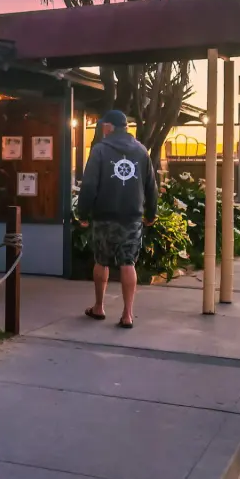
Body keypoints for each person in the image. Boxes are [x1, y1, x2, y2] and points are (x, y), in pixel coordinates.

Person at [77, 110, 158, 329]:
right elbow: (151, 186)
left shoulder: (100, 150)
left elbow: (89, 185)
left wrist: (82, 214)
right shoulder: (142, 151)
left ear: (109, 127)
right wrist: (151, 214)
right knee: (128, 262)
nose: (102, 129)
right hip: (132, 217)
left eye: (103, 126)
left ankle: (99, 307)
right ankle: (127, 314)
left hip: (104, 216)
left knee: (101, 260)